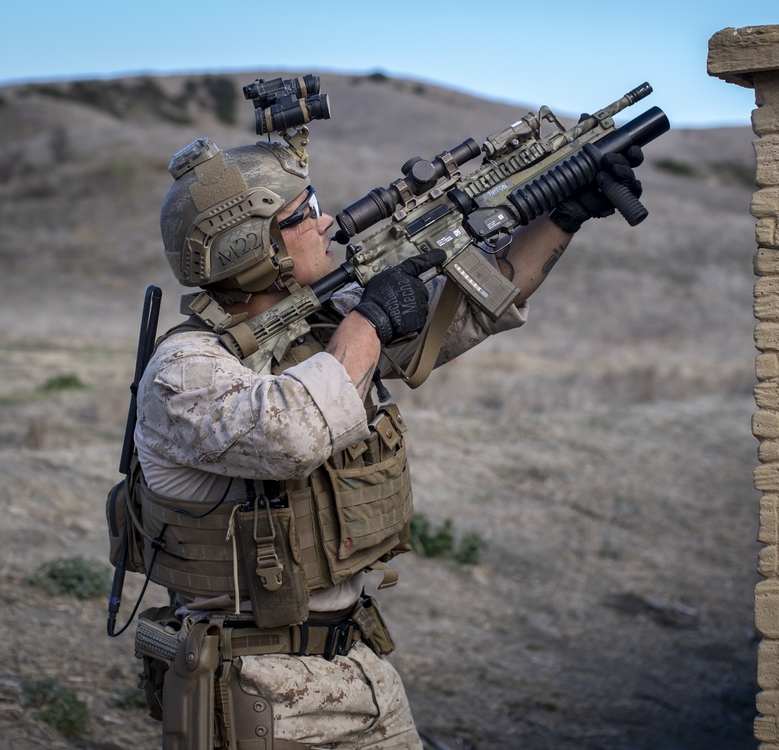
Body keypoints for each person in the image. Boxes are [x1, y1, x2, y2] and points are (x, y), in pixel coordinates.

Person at [127, 128, 643, 749]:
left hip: (357, 668)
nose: (323, 223)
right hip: (253, 690)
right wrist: (369, 320)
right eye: (303, 213)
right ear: (251, 246)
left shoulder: (315, 326)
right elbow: (296, 430)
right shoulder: (185, 369)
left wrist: (563, 213)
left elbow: (472, 304)